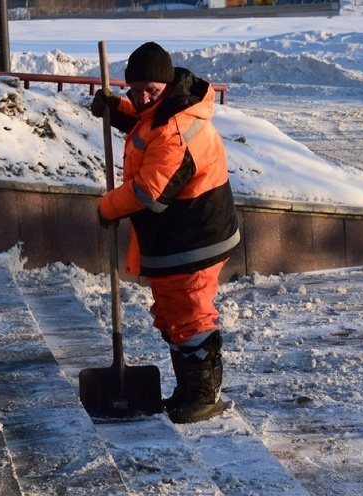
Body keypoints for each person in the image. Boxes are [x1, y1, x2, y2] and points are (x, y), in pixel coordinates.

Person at [90, 42, 240, 424]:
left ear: (167, 85)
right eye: (134, 90)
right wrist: (117, 110)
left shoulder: (177, 128)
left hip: (193, 237)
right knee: (174, 312)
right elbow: (146, 128)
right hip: (180, 236)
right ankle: (189, 391)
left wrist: (108, 208)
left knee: (190, 313)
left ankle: (204, 397)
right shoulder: (165, 110)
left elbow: (149, 190)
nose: (140, 99)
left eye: (149, 91)